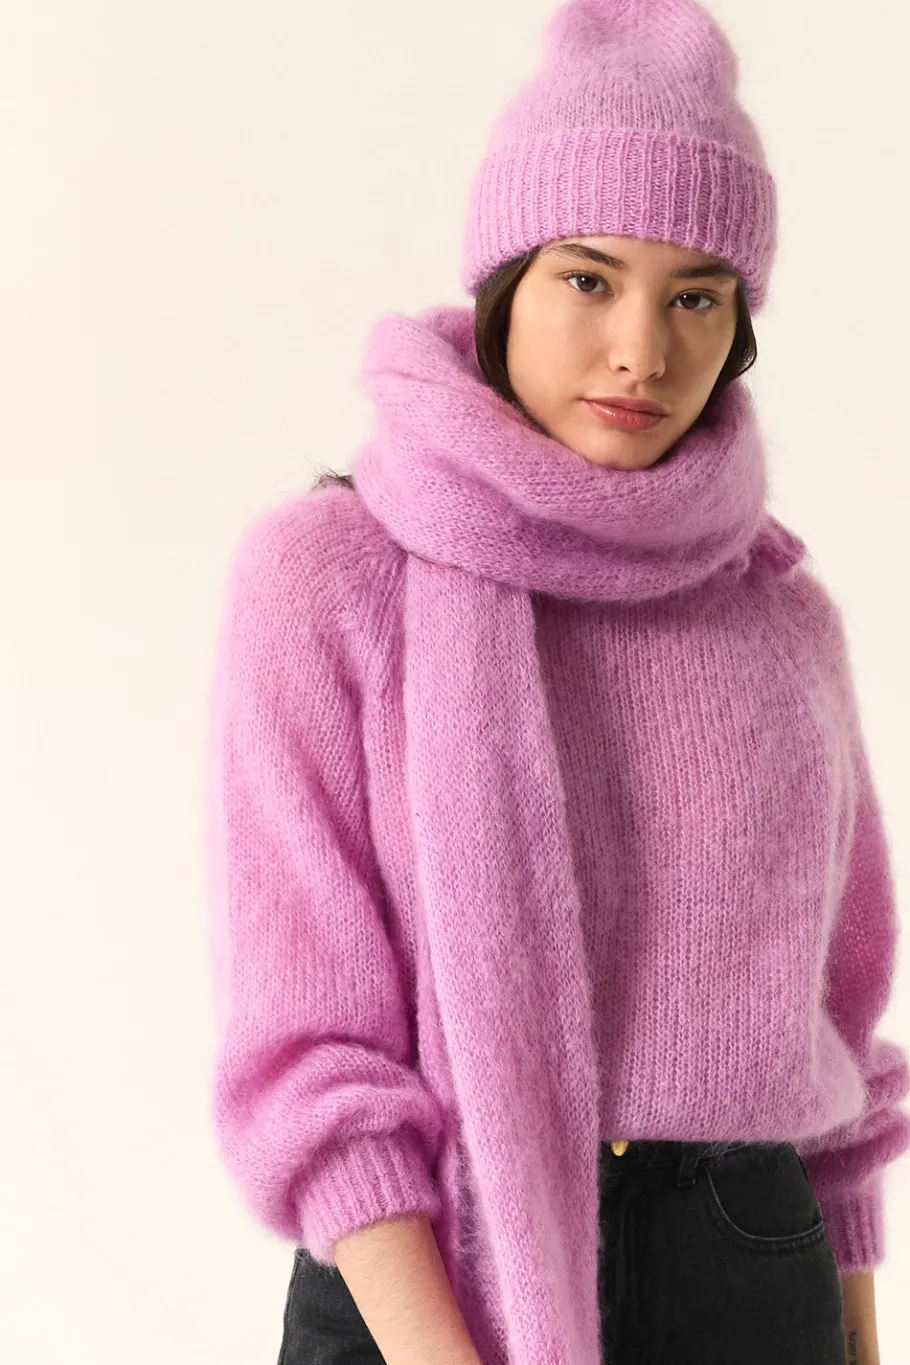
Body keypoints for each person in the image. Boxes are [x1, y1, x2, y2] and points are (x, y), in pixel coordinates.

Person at [202, 1, 910, 1362]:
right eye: (589, 279)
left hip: (746, 1259)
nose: (642, 349)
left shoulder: (780, 616)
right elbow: (306, 1047)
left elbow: (841, 1030)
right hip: (426, 1268)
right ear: (506, 282)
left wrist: (864, 1342)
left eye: (695, 295)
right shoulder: (328, 580)